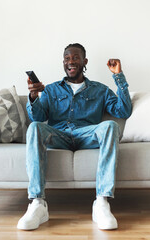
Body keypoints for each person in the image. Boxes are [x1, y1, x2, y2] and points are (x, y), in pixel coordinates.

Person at [17, 43, 132, 231]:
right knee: (35, 127)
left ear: (84, 62)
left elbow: (123, 110)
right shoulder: (51, 90)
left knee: (110, 125)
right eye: (67, 58)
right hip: (59, 134)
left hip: (87, 134)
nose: (71, 62)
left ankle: (101, 202)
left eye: (75, 58)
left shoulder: (100, 90)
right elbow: (38, 117)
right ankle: (37, 204)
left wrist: (118, 76)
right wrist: (33, 95)